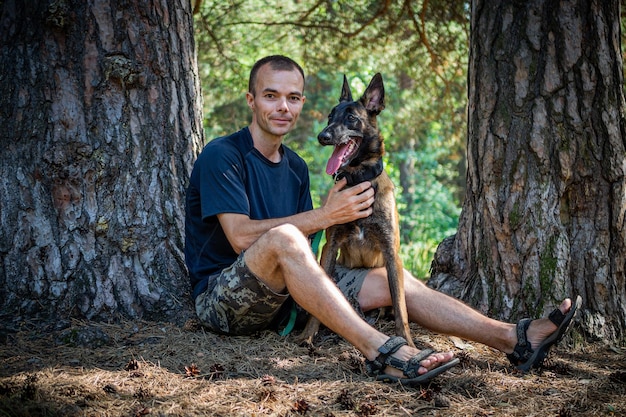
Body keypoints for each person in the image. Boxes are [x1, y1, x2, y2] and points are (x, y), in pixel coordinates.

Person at [184, 55, 581, 384]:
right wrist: (325, 215)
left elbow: (308, 247)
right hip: (226, 299)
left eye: (293, 97)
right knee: (286, 236)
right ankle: (381, 350)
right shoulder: (224, 154)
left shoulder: (297, 168)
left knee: (394, 279)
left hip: (289, 297)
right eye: (271, 96)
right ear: (252, 100)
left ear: (302, 103)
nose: (283, 107)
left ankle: (514, 338)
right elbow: (239, 239)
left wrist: (334, 226)